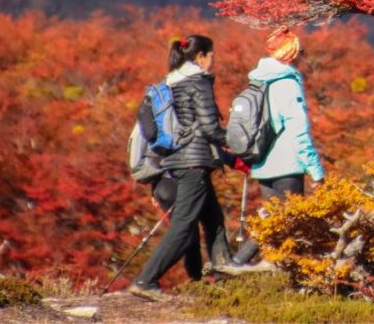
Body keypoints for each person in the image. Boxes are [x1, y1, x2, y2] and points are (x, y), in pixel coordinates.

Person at [127, 34, 238, 301]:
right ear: (201, 57)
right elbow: (210, 128)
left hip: (179, 159)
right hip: (193, 161)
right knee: (184, 225)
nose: (212, 62)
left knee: (214, 220)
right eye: (211, 56)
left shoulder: (173, 83)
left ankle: (225, 277)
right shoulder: (197, 82)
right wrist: (237, 142)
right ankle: (146, 280)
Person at [229, 28, 325, 267]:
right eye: (299, 51)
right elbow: (298, 132)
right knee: (292, 224)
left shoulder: (260, 81)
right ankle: (249, 265)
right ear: (290, 53)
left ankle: (240, 263)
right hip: (287, 165)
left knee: (274, 221)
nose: (302, 56)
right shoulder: (287, 84)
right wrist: (315, 170)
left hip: (262, 164)